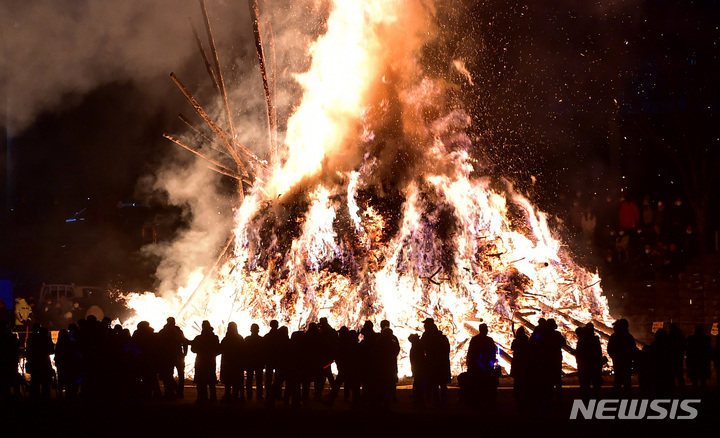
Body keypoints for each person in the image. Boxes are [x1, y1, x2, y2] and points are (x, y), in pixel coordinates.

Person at [465, 323, 499, 406]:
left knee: (479, 384)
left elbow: (471, 352)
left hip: (477, 365)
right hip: (484, 365)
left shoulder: (475, 339)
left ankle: (478, 401)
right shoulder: (488, 340)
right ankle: (484, 401)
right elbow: (492, 352)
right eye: (486, 329)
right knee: (484, 383)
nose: (486, 331)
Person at [191, 320, 221, 404]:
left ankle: (201, 398)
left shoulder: (199, 338)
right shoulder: (214, 338)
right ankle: (213, 398)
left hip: (201, 361)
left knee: (201, 381)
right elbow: (218, 350)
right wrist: (212, 354)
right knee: (211, 380)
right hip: (210, 361)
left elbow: (193, 349)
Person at [607, 318, 637, 397]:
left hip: (620, 362)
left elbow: (610, 349)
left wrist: (615, 357)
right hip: (626, 362)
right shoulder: (629, 337)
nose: (614, 328)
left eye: (616, 326)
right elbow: (633, 350)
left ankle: (617, 399)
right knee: (626, 381)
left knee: (618, 381)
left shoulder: (615, 337)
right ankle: (627, 398)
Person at [220, 322, 245, 403]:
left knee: (228, 380)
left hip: (228, 362)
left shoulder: (226, 339)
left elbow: (220, 349)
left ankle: (227, 395)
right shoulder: (240, 338)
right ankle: (235, 395)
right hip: (237, 363)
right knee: (236, 380)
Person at [244, 323, 265, 401]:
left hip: (250, 362)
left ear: (251, 330)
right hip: (258, 362)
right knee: (259, 380)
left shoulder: (247, 339)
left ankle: (249, 395)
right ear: (258, 330)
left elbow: (244, 351)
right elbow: (264, 352)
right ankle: (259, 395)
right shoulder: (261, 340)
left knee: (249, 379)